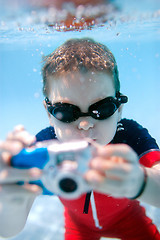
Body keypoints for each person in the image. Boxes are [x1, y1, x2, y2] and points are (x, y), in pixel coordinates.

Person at [0, 38, 160, 239]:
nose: (85, 124)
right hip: (78, 227)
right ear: (49, 114)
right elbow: (7, 231)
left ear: (119, 110)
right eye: (65, 112)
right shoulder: (44, 147)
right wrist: (9, 201)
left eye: (103, 108)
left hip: (128, 218)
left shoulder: (130, 135)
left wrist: (141, 181)